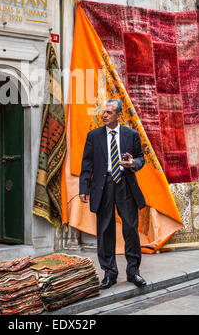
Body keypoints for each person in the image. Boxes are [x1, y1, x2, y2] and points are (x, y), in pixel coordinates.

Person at [79, 98, 147, 289]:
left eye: (109, 113)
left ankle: (134, 272)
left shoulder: (131, 135)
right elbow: (87, 165)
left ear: (119, 115)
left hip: (125, 184)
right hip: (104, 185)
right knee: (105, 230)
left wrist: (133, 163)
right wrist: (84, 188)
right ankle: (109, 274)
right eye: (104, 112)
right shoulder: (94, 136)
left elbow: (141, 158)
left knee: (130, 229)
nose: (104, 115)